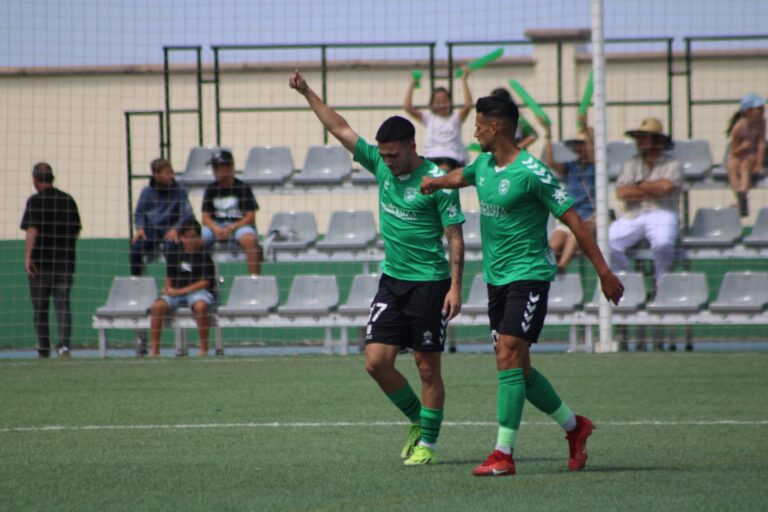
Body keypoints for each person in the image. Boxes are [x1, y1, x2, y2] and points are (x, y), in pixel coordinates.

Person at [420, 96, 623, 477]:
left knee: (508, 354)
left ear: (495, 127)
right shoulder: (483, 164)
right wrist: (433, 182)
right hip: (496, 280)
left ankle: (503, 453)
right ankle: (574, 427)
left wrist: (604, 273)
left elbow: (577, 223)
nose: (474, 131)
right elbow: (460, 176)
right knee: (520, 370)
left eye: (478, 125)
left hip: (529, 275)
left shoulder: (534, 172)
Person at [290, 70, 465, 466]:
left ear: (412, 147)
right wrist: (306, 92)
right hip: (392, 283)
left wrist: (456, 287)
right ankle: (418, 421)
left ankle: (429, 446)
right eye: (382, 155)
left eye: (393, 155)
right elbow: (339, 127)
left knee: (425, 367)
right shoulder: (381, 166)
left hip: (430, 285)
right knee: (376, 362)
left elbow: (455, 236)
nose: (386, 161)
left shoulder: (438, 181)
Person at [608, 117, 682, 287]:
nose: (639, 141)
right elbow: (621, 192)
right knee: (607, 242)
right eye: (638, 137)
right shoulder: (631, 163)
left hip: (663, 213)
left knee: (663, 244)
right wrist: (652, 189)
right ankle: (633, 284)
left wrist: (638, 185)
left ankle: (660, 285)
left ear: (657, 140)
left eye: (644, 136)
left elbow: (665, 189)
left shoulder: (673, 164)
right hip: (633, 214)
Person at [20, 163, 82, 358]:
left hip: (41, 263)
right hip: (65, 262)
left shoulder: (35, 202)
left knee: (40, 307)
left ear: (35, 180)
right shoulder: (67, 200)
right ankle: (64, 346)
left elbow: (32, 229)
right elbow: (76, 230)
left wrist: (28, 256)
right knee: (62, 304)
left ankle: (43, 346)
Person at [149, 218, 216, 357]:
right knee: (157, 306)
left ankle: (203, 348)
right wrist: (167, 288)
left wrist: (180, 291)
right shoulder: (175, 255)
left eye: (193, 237)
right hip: (176, 294)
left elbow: (205, 283)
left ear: (199, 237)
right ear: (180, 238)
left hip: (198, 293)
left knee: (201, 306)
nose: (190, 241)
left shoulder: (204, 256)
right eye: (186, 237)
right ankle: (154, 350)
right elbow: (170, 277)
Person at [542, 114, 596, 273]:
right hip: (571, 215)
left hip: (590, 217)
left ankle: (562, 265)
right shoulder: (571, 167)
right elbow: (550, 162)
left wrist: (586, 130)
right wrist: (548, 135)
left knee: (576, 233)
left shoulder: (596, 166)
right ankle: (543, 269)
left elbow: (593, 155)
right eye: (578, 145)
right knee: (553, 244)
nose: (580, 148)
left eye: (583, 144)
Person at [201, 150, 262, 275]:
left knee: (250, 240)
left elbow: (250, 217)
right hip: (216, 226)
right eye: (214, 167)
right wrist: (215, 228)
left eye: (219, 166)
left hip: (238, 226)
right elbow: (205, 218)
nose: (216, 170)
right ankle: (202, 279)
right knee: (195, 240)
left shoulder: (243, 188)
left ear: (230, 167)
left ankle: (255, 280)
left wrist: (231, 228)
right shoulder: (211, 189)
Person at [130, 158, 194, 276]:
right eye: (167, 173)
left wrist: (176, 229)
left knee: (172, 248)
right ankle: (137, 281)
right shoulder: (147, 192)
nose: (171, 176)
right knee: (135, 248)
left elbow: (187, 214)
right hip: (152, 229)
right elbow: (139, 213)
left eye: (171, 172)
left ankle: (173, 281)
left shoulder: (180, 190)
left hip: (171, 228)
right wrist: (139, 228)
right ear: (156, 175)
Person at [403, 67, 473, 171]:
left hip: (452, 158)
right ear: (432, 104)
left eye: (445, 102)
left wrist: (464, 80)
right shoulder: (429, 118)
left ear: (450, 102)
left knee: (442, 170)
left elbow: (468, 105)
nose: (442, 105)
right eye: (438, 103)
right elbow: (407, 107)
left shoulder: (456, 118)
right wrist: (412, 84)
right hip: (431, 157)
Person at [725, 93, 766, 217]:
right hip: (739, 152)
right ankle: (740, 196)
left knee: (745, 166)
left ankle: (742, 195)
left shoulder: (762, 123)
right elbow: (734, 151)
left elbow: (761, 144)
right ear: (748, 111)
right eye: (758, 108)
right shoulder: (738, 127)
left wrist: (758, 164)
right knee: (731, 166)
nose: (762, 110)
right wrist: (742, 147)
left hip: (751, 153)